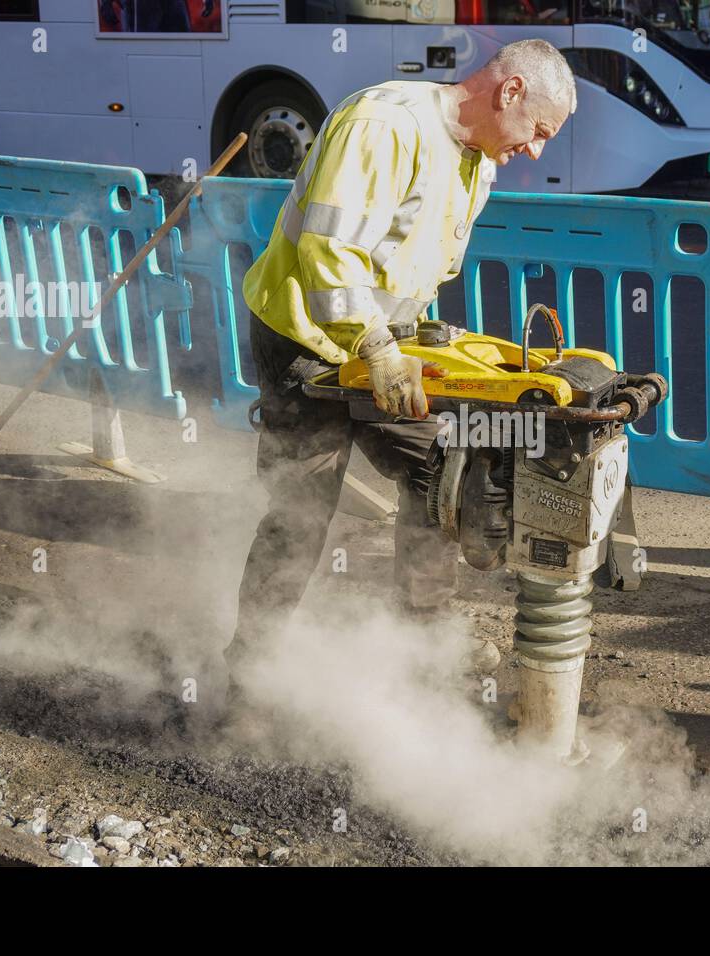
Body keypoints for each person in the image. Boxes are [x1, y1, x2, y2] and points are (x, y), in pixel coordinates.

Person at [226, 40, 578, 698]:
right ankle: (251, 667)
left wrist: (417, 349)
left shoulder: (476, 160)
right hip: (305, 338)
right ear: (509, 93)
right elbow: (327, 252)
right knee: (301, 509)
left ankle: (420, 643)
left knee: (437, 481)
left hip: (383, 348)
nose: (535, 150)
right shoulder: (384, 125)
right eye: (537, 131)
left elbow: (414, 268)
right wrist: (375, 347)